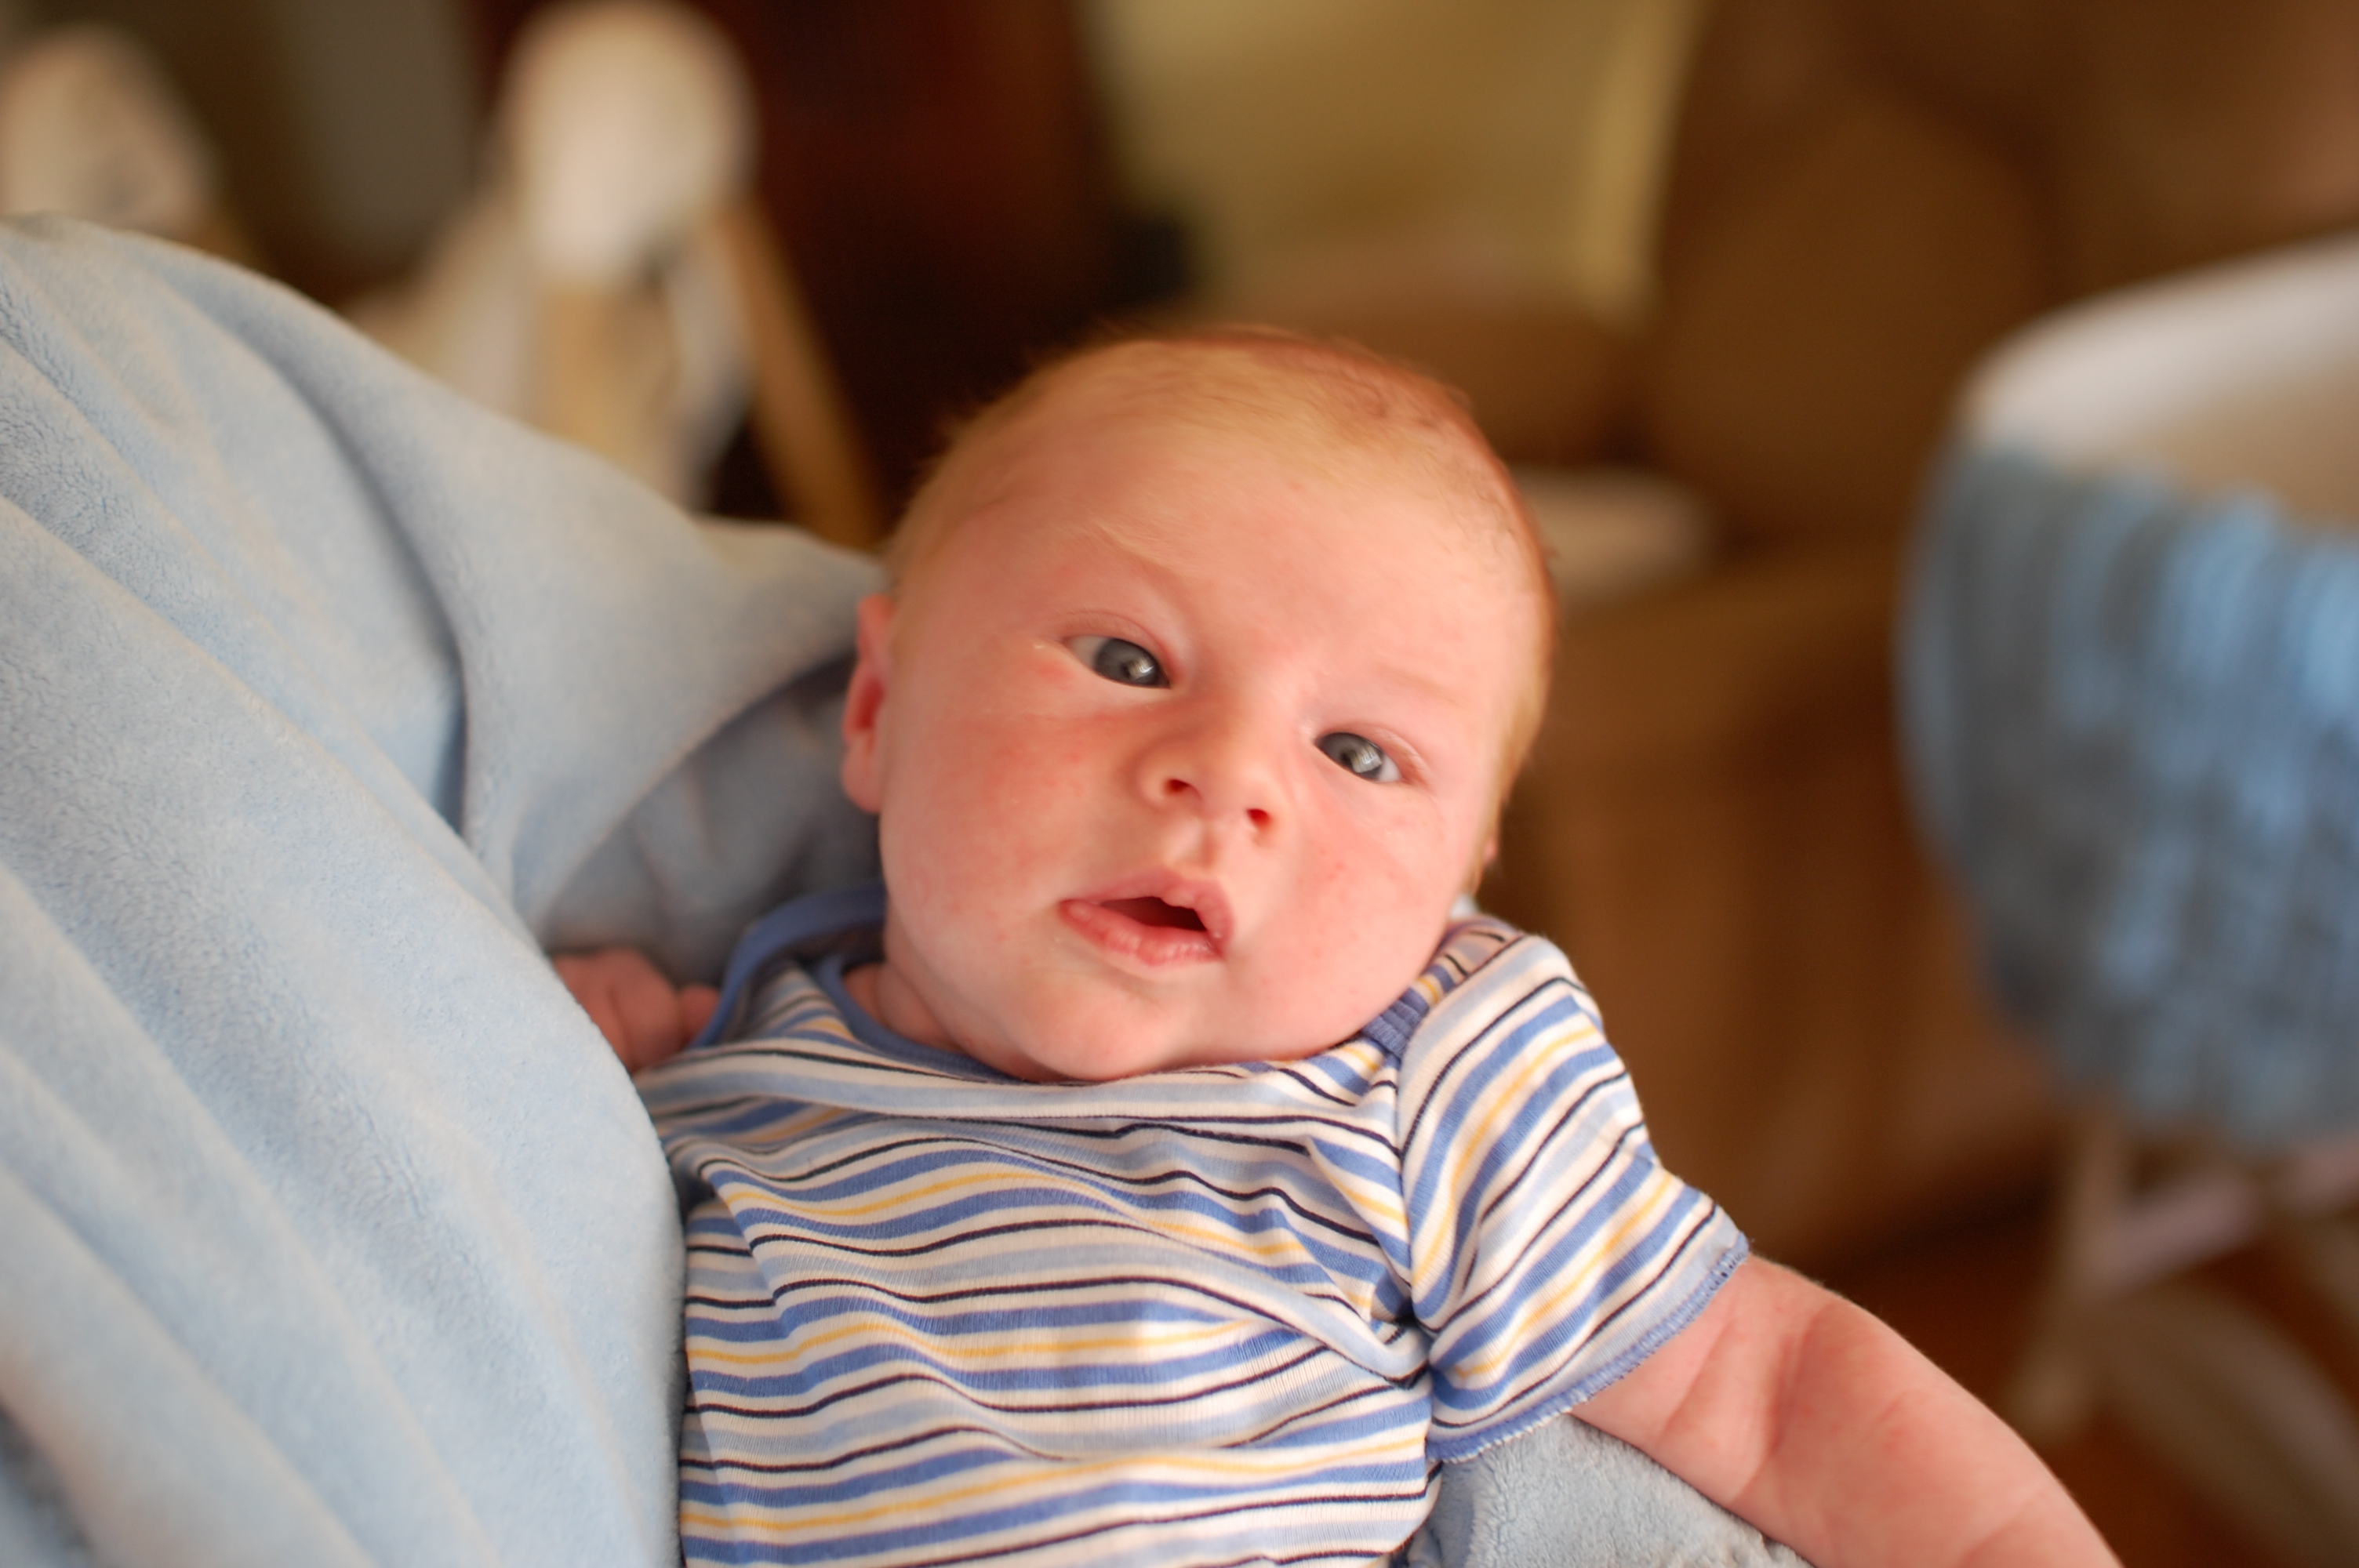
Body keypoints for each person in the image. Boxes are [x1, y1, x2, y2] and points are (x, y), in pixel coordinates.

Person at [558, 329, 2115, 1568]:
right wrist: (594, 1054)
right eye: (1128, 659)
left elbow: (1761, 1392)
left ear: (1454, 885)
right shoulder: (742, 1050)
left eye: (1361, 754)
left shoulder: (1425, 1071)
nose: (1227, 776)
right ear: (879, 706)